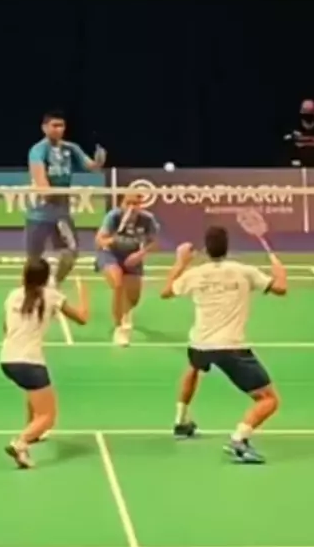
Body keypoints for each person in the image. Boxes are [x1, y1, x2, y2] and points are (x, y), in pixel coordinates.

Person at [161, 227, 287, 464]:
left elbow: (166, 291)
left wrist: (181, 262)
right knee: (269, 399)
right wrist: (280, 271)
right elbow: (280, 288)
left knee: (194, 368)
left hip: (199, 343)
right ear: (227, 247)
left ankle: (181, 421)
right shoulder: (244, 272)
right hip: (231, 347)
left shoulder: (195, 274)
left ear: (205, 249)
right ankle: (239, 439)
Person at [0, 257, 89, 469]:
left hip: (7, 359)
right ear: (46, 277)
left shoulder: (13, 295)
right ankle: (20, 443)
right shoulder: (51, 295)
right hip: (30, 362)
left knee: (33, 393)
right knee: (48, 416)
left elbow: (6, 328)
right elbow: (82, 318)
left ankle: (32, 433)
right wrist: (84, 292)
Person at [26, 110, 106, 284]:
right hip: (39, 213)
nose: (58, 129)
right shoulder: (38, 150)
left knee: (71, 251)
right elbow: (41, 184)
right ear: (44, 128)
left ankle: (54, 284)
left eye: (61, 125)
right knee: (33, 260)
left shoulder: (71, 148)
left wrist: (99, 161)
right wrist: (51, 193)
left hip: (61, 213)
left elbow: (92, 167)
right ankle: (29, 292)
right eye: (54, 125)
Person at [95, 193, 159, 347]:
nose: (132, 207)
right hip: (110, 255)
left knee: (133, 299)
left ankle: (125, 312)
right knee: (118, 284)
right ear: (121, 204)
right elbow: (99, 240)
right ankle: (119, 328)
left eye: (136, 203)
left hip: (133, 257)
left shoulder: (148, 219)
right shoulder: (113, 217)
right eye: (128, 203)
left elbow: (154, 244)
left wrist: (140, 254)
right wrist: (111, 240)